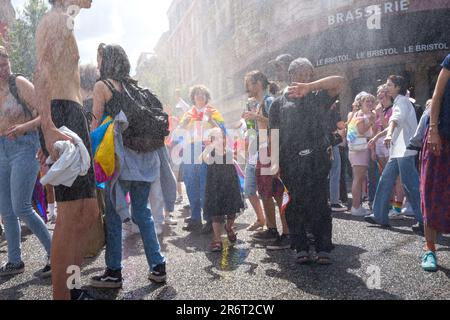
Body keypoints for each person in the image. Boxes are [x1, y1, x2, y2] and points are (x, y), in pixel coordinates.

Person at [34, 0, 99, 300]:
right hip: (62, 113)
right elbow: (41, 70)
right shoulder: (57, 19)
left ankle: (73, 289)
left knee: (87, 213)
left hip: (71, 113)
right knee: (71, 214)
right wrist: (47, 126)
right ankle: (63, 296)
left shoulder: (66, 20)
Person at [89, 44, 167, 289]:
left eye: (99, 57)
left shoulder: (103, 86)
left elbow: (95, 126)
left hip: (122, 160)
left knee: (112, 216)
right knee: (141, 212)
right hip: (146, 158)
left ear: (107, 61)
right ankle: (157, 266)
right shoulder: (136, 87)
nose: (97, 62)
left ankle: (114, 271)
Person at [269, 57, 345, 264]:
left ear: (311, 76)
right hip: (290, 159)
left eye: (307, 73)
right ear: (290, 75)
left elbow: (340, 80)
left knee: (320, 202)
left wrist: (310, 87)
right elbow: (273, 134)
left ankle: (323, 247)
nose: (302, 76)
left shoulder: (318, 96)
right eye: (298, 73)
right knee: (295, 204)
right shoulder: (278, 102)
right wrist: (274, 162)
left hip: (317, 157)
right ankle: (300, 246)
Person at [0, 46, 52, 278]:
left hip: (25, 147)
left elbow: (46, 112)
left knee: (21, 207)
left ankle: (55, 253)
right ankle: (14, 260)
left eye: (4, 64)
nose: (2, 69)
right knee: (6, 210)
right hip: (1, 150)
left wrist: (23, 127)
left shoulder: (18, 83)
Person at [365, 75, 423, 233]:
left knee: (410, 185)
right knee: (386, 180)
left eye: (389, 84)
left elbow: (395, 120)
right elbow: (394, 124)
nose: (386, 86)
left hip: (404, 150)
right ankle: (379, 215)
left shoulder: (402, 101)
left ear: (398, 87)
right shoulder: (399, 101)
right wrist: (379, 136)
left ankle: (424, 220)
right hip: (398, 151)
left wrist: (389, 135)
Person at [244, 71, 289, 250]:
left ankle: (287, 233)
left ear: (258, 83)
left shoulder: (270, 101)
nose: (247, 88)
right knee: (265, 192)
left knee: (278, 193)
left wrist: (256, 117)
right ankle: (271, 228)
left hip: (272, 150)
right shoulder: (258, 103)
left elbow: (277, 124)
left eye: (249, 83)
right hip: (263, 150)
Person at [178, 85, 223, 234]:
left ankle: (210, 218)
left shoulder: (213, 112)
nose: (199, 96)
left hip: (207, 149)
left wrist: (211, 120)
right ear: (193, 97)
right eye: (197, 94)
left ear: (206, 97)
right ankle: (195, 217)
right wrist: (183, 124)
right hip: (190, 151)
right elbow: (178, 133)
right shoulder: (187, 114)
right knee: (191, 184)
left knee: (206, 184)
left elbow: (222, 131)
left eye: (202, 94)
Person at [420, 54, 450, 272]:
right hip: (442, 137)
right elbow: (437, 96)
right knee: (432, 192)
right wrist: (433, 131)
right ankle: (429, 248)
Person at [201, 128, 244, 252]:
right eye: (215, 138)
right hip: (215, 186)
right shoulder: (210, 152)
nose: (219, 140)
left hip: (230, 186)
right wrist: (208, 147)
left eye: (221, 137)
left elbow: (236, 164)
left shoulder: (229, 151)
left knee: (232, 211)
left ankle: (229, 227)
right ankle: (217, 239)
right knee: (216, 213)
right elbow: (205, 159)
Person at [347, 93, 376, 216]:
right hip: (359, 149)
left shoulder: (362, 114)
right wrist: (371, 121)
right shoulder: (360, 114)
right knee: (358, 179)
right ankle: (356, 207)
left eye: (371, 101)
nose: (369, 103)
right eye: (366, 101)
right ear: (361, 103)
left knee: (359, 178)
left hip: (359, 148)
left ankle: (357, 206)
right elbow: (361, 130)